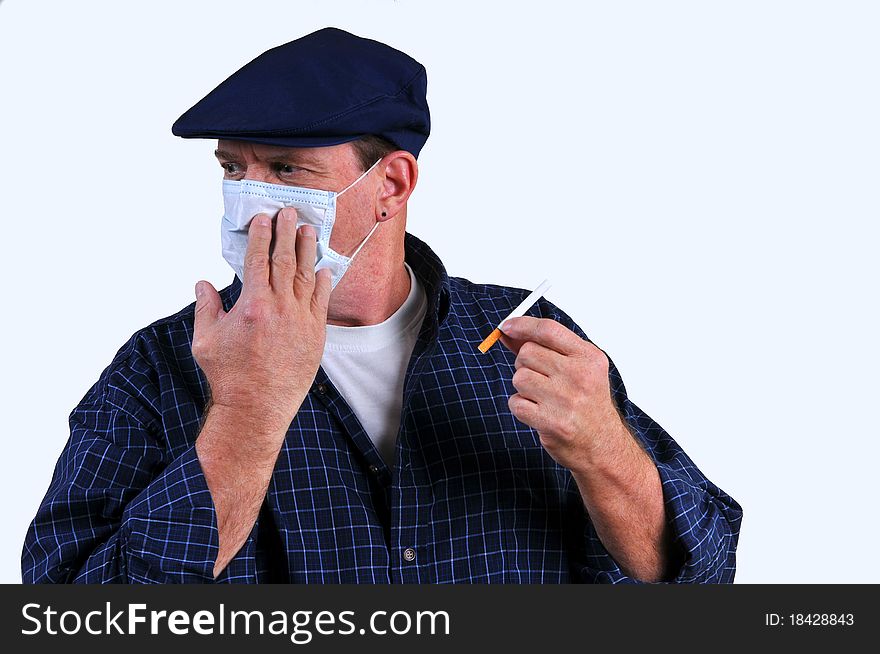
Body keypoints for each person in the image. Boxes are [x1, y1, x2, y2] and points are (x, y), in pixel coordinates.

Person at [22, 27, 742, 584]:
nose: (248, 199)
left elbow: (699, 579)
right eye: (231, 168)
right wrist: (247, 414)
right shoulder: (159, 369)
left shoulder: (526, 342)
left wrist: (607, 455)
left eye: (284, 168)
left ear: (392, 185)